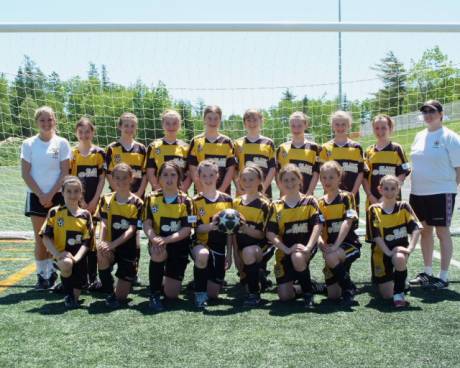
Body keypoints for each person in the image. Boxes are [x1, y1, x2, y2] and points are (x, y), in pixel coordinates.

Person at [409, 100, 460, 289]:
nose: (428, 114)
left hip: (441, 192)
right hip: (418, 192)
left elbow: (458, 168)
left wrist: (449, 188)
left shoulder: (450, 137)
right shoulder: (419, 135)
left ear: (441, 113)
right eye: (425, 111)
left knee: (442, 232)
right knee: (425, 231)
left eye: (432, 111)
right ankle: (428, 273)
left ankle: (443, 277)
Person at [21, 106, 71, 290]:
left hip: (57, 197)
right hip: (36, 197)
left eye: (49, 119)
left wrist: (50, 194)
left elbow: (65, 172)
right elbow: (25, 174)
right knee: (40, 238)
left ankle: (54, 275)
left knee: (55, 238)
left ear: (55, 121)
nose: (46, 123)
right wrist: (41, 195)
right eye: (42, 120)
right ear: (37, 122)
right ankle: (42, 275)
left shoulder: (62, 143)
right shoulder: (28, 144)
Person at [266, 164, 323, 308]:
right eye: (285, 180)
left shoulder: (310, 201)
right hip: (286, 250)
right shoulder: (276, 205)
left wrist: (309, 247)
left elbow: (318, 225)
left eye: (293, 179)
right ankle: (309, 286)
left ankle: (308, 295)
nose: (289, 183)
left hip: (305, 248)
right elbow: (270, 233)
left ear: (300, 180)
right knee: (285, 296)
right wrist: (286, 249)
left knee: (297, 257)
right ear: (279, 183)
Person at [143, 162, 193, 312]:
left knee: (171, 294)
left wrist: (167, 239)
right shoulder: (151, 198)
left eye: (173, 175)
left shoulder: (187, 201)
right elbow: (147, 224)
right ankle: (154, 294)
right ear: (158, 178)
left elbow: (187, 229)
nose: (169, 179)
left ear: (179, 178)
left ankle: (166, 280)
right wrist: (154, 239)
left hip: (179, 245)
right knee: (158, 251)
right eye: (165, 175)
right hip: (159, 242)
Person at [105, 112, 147, 284]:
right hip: (117, 198)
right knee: (114, 230)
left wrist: (136, 195)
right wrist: (121, 192)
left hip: (136, 199)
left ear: (136, 128)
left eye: (132, 125)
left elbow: (144, 175)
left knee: (135, 234)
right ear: (120, 126)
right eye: (126, 125)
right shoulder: (112, 148)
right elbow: (108, 173)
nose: (129, 128)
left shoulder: (142, 148)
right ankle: (108, 267)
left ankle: (132, 270)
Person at [367, 175, 421, 307]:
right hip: (381, 253)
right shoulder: (374, 209)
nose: (389, 192)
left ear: (398, 190)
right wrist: (389, 252)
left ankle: (399, 294)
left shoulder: (404, 206)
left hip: (399, 252)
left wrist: (409, 249)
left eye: (393, 188)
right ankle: (397, 279)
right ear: (380, 189)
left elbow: (417, 228)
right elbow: (377, 237)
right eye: (386, 188)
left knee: (399, 258)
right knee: (386, 295)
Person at [40, 176, 93, 308]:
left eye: (76, 191)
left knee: (78, 289)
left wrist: (75, 258)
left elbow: (87, 242)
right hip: (61, 256)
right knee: (66, 264)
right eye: (68, 191)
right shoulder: (55, 212)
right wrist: (57, 255)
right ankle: (68, 295)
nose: (72, 195)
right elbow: (45, 236)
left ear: (81, 194)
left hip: (79, 258)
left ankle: (66, 285)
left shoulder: (86, 214)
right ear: (62, 193)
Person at [96, 163, 143, 308]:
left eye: (124, 178)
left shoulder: (138, 203)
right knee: (101, 254)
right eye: (117, 178)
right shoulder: (106, 199)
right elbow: (103, 223)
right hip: (110, 245)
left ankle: (126, 281)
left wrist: (113, 244)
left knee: (121, 297)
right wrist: (102, 242)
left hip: (128, 249)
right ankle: (109, 290)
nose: (121, 181)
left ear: (131, 178)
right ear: (112, 179)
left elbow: (131, 230)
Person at [191, 160, 233, 309]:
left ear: (217, 176)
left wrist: (230, 253)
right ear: (199, 178)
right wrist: (210, 227)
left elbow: (230, 231)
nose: (208, 180)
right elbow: (193, 228)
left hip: (219, 247)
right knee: (202, 255)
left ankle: (202, 281)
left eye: (211, 175)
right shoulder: (194, 201)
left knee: (214, 294)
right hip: (200, 244)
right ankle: (199, 293)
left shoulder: (227, 200)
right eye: (204, 176)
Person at [318, 161, 361, 306]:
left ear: (339, 178)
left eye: (331, 177)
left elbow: (347, 222)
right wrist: (322, 245)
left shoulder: (347, 197)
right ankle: (339, 282)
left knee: (331, 256)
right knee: (333, 295)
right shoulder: (319, 203)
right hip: (330, 248)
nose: (327, 181)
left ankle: (349, 288)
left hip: (349, 245)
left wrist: (336, 246)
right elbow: (317, 228)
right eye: (324, 178)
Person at [70, 117, 106, 290]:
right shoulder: (73, 154)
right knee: (79, 239)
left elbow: (101, 179)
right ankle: (80, 277)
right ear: (76, 133)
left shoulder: (99, 153)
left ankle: (93, 277)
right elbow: (72, 180)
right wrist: (82, 201)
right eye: (81, 131)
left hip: (95, 203)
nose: (84, 135)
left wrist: (94, 201)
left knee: (93, 241)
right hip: (78, 203)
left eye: (87, 131)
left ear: (93, 132)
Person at [233, 166, 271, 306]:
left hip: (261, 247)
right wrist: (236, 255)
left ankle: (254, 295)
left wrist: (245, 228)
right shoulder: (236, 202)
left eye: (251, 179)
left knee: (249, 253)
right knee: (245, 281)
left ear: (260, 180)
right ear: (239, 181)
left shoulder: (265, 204)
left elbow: (263, 235)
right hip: (241, 246)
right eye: (244, 179)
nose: (247, 183)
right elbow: (233, 233)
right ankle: (259, 277)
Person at [320, 111, 364, 211]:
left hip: (351, 196)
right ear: (332, 126)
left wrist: (352, 193)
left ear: (349, 126)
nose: (340, 127)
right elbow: (321, 175)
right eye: (337, 124)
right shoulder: (325, 148)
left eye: (343, 124)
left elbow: (360, 173)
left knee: (351, 225)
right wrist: (330, 193)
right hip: (330, 197)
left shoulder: (357, 147)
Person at [363, 114, 410, 207]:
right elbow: (364, 177)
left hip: (393, 200)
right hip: (373, 201)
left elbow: (402, 174)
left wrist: (387, 196)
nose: (380, 131)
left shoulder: (397, 148)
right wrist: (370, 196)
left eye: (383, 128)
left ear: (390, 128)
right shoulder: (368, 151)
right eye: (377, 128)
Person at [187, 105, 236, 194]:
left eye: (216, 118)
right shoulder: (196, 141)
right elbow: (192, 168)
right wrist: (201, 189)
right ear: (204, 120)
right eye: (209, 118)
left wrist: (222, 190)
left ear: (220, 120)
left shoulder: (227, 142)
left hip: (223, 193)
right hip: (202, 192)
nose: (212, 121)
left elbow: (231, 169)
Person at [145, 109, 191, 192]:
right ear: (162, 125)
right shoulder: (154, 146)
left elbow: (189, 174)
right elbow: (150, 172)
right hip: (160, 195)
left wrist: (182, 191)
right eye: (168, 123)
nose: (171, 127)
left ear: (179, 125)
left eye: (174, 123)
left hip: (180, 195)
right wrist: (158, 189)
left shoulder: (186, 148)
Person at [276, 111, 321, 195]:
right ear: (289, 126)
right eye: (293, 126)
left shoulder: (314, 148)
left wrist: (309, 192)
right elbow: (277, 173)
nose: (296, 129)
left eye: (299, 126)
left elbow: (316, 173)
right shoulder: (282, 148)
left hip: (306, 197)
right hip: (286, 196)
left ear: (306, 125)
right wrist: (283, 191)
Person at [234, 108, 276, 197]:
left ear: (261, 121)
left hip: (264, 193)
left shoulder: (268, 143)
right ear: (244, 123)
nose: (252, 123)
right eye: (249, 120)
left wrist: (263, 188)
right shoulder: (237, 143)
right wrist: (239, 187)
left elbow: (272, 168)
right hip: (243, 192)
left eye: (255, 120)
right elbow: (234, 169)